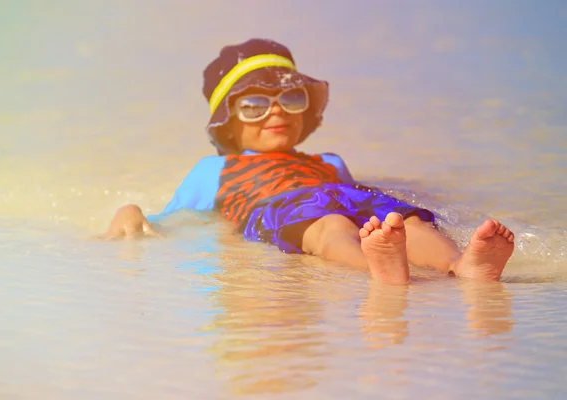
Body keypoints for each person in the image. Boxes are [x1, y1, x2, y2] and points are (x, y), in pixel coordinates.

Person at [104, 38, 515, 285]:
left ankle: (460, 265)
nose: (277, 112)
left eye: (291, 99)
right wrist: (131, 211)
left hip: (342, 193)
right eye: (254, 105)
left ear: (306, 115)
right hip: (277, 206)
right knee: (330, 227)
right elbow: (175, 219)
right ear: (228, 127)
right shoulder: (213, 171)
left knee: (404, 221)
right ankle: (376, 268)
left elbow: (359, 204)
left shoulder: (331, 161)